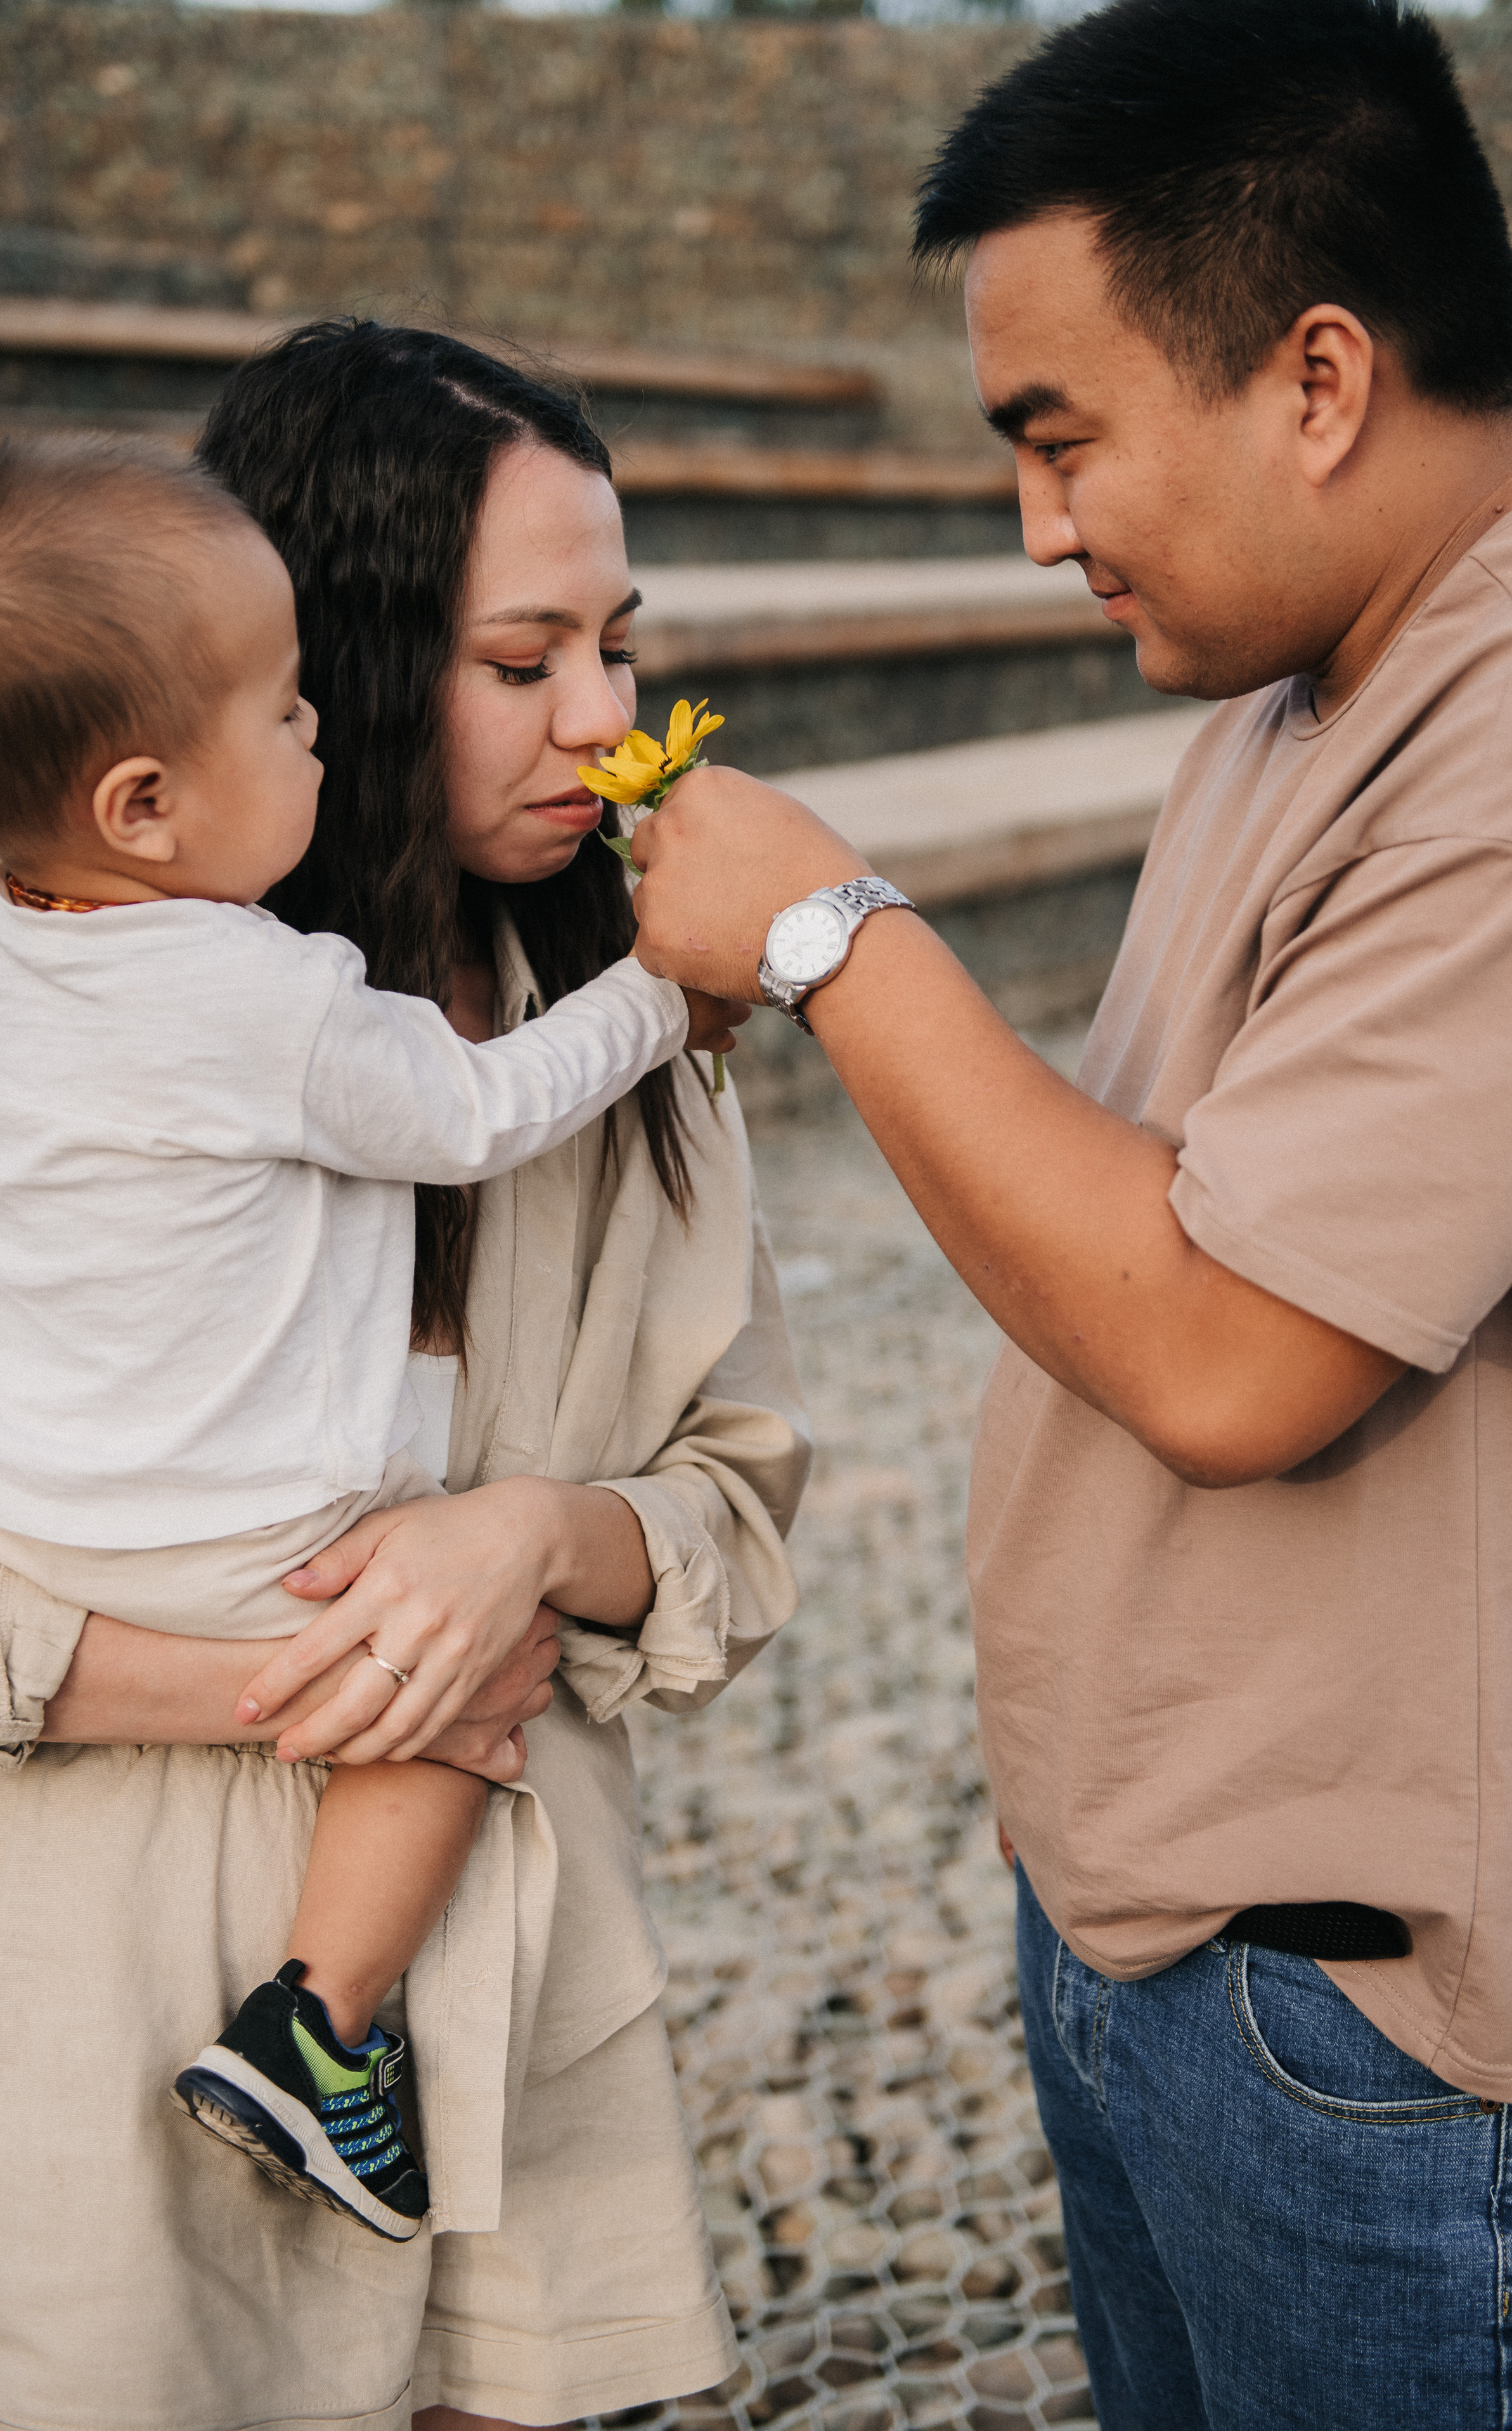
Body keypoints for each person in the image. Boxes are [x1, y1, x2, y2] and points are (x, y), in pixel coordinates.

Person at [624, 2, 1512, 2423]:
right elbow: (1133, 1207)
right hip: (1186, 1948)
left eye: (1063, 439)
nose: (1039, 528)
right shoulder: (1293, 697)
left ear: (1314, 376)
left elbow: (1225, 1353)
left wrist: (838, 936)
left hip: (1401, 2051)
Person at [0, 324, 810, 2430]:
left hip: (508, 1992)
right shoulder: (69, 1051)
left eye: (622, 650)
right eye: (523, 660)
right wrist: (260, 1677)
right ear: (336, 670)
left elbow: (738, 1498)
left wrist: (531, 1538)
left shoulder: (627, 1056)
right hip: (86, 1978)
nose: (608, 721)